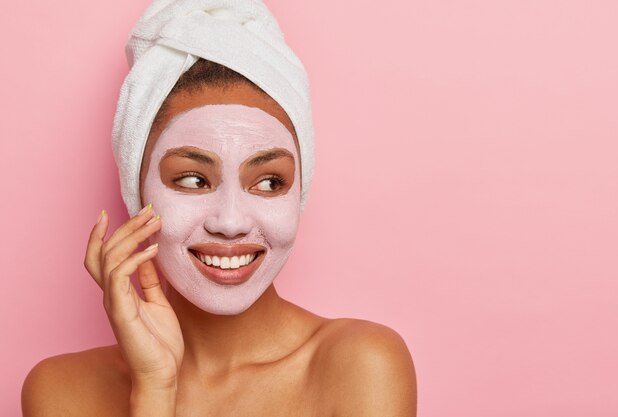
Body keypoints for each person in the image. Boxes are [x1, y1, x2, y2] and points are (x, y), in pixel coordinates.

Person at [22, 2, 417, 416]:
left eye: (268, 182)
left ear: (299, 192)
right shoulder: (62, 392)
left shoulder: (360, 365)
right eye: (193, 180)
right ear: (137, 194)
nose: (230, 222)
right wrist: (156, 387)